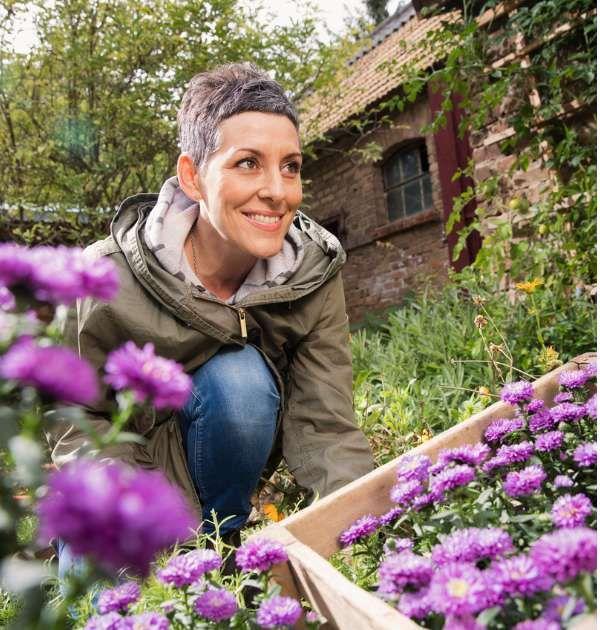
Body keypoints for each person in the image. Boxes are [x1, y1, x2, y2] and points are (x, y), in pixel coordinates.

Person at [48, 62, 375, 575]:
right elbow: (71, 416)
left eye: (290, 166)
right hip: (120, 486)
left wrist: (365, 538)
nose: (277, 190)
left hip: (214, 466)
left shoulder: (310, 273)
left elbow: (325, 424)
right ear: (193, 177)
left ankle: (219, 549)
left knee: (240, 380)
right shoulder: (105, 277)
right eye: (248, 163)